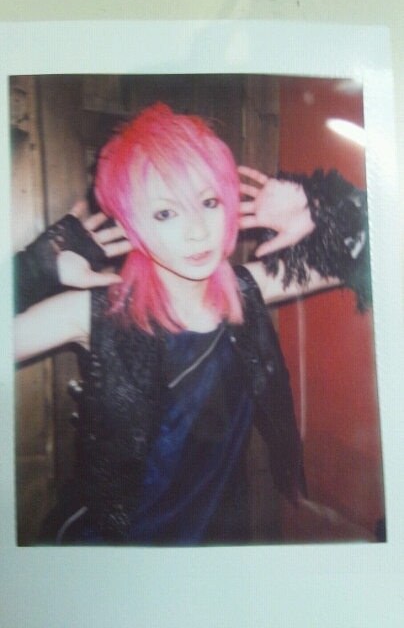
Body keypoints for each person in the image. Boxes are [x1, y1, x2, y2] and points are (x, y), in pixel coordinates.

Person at [14, 102, 370, 545]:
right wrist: (34, 270)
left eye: (209, 202)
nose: (198, 231)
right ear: (131, 223)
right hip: (113, 552)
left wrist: (313, 202)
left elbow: (376, 245)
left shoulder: (247, 289)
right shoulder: (95, 312)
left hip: (212, 543)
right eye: (166, 213)